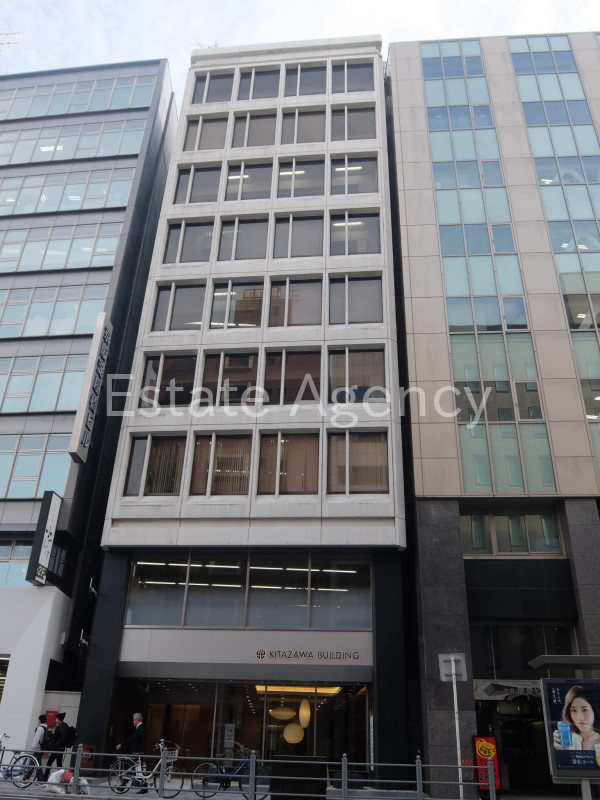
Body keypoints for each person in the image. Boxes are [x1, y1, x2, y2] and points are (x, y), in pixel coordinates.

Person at [553, 684, 600, 751]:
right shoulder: (570, 741)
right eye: (574, 710)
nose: (580, 717)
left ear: (594, 710)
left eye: (585, 710)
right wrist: (562, 750)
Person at [116, 712, 148, 794]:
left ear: (137, 720)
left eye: (133, 720)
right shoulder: (142, 728)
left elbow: (132, 739)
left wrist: (122, 744)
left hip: (137, 753)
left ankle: (122, 786)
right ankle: (144, 788)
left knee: (131, 769)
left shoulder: (140, 729)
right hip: (139, 753)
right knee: (137, 770)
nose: (133, 721)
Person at [44, 712, 69, 780]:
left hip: (57, 748)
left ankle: (45, 778)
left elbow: (54, 738)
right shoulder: (66, 726)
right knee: (59, 764)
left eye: (56, 719)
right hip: (62, 748)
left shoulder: (58, 727)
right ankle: (66, 778)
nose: (55, 720)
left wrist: (51, 746)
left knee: (49, 762)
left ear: (59, 719)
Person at [29, 714, 48, 782]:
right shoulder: (45, 728)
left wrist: (32, 748)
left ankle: (40, 780)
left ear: (39, 720)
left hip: (37, 749)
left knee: (33, 765)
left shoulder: (40, 728)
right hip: (41, 749)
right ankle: (39, 780)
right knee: (36, 764)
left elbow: (36, 739)